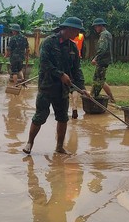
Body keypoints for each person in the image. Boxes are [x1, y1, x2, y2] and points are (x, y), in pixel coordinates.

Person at [22, 17, 89, 155]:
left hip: (62, 90)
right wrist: (60, 74)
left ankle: (59, 146)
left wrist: (81, 87)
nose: (78, 34)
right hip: (47, 87)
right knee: (40, 116)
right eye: (76, 30)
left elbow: (77, 69)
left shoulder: (73, 48)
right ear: (68, 29)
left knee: (63, 117)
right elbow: (44, 64)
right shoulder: (48, 43)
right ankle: (30, 143)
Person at [90, 18, 115, 102]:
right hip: (106, 60)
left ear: (100, 26)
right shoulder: (108, 34)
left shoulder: (104, 34)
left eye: (96, 26)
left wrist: (95, 58)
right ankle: (110, 98)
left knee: (98, 80)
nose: (95, 28)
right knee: (100, 79)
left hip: (102, 60)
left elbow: (102, 49)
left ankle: (93, 96)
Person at [70, 32, 84, 119]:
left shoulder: (67, 37)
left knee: (69, 89)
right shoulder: (81, 36)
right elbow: (83, 48)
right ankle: (74, 106)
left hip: (67, 63)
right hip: (76, 59)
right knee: (75, 87)